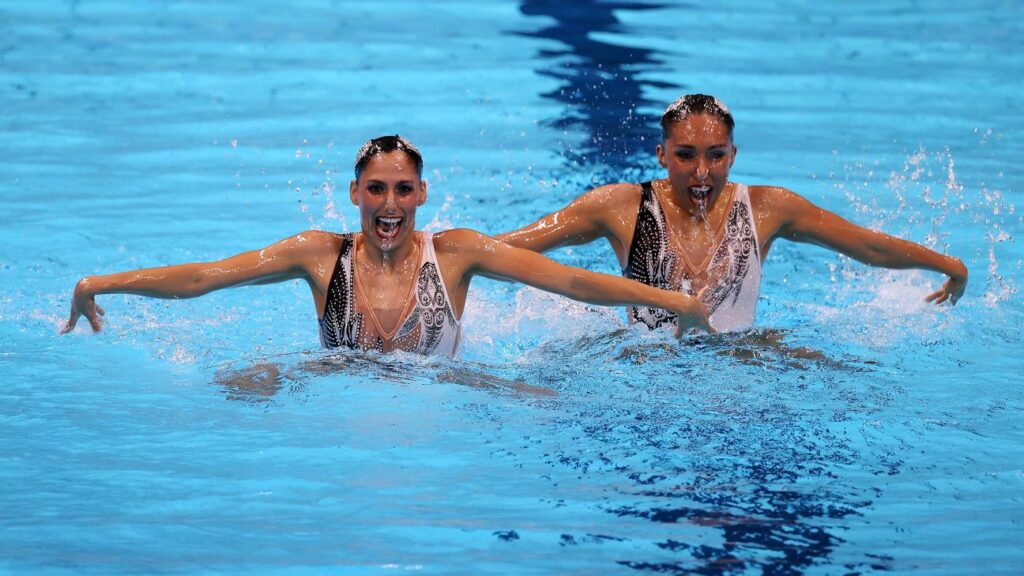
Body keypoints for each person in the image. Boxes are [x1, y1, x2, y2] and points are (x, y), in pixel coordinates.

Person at [62, 135, 712, 355]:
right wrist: (99, 283)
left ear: (423, 194)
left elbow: (566, 282)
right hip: (339, 403)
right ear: (354, 194)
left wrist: (666, 300)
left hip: (446, 406)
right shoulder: (320, 255)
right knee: (248, 380)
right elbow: (206, 277)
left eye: (403, 190)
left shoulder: (456, 252)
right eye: (377, 190)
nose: (390, 206)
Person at [497, 94, 968, 332]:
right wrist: (430, 247)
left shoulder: (767, 208)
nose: (702, 172)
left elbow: (864, 244)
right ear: (661, 155)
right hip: (643, 374)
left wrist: (947, 265)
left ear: (733, 155)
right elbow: (508, 250)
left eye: (716, 156)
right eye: (685, 155)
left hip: (738, 367)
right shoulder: (621, 206)